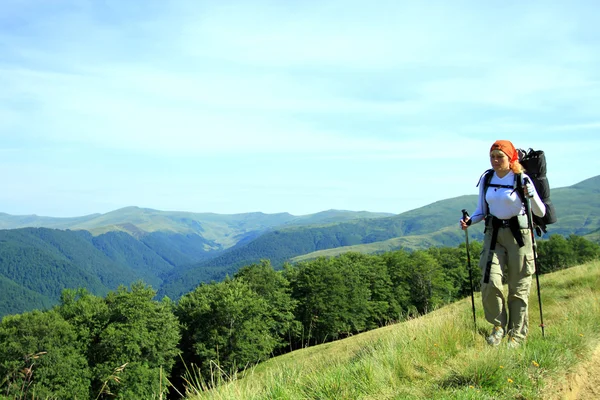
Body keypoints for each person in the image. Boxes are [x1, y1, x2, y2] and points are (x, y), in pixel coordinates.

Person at [460, 140, 546, 347]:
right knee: (490, 282)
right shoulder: (487, 179)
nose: (496, 161)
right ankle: (498, 327)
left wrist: (531, 196)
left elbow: (540, 212)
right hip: (493, 234)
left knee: (519, 287)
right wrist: (470, 220)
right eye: (493, 157)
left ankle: (516, 334)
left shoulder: (521, 179)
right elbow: (481, 210)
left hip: (520, 235)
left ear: (510, 158)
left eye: (500, 157)